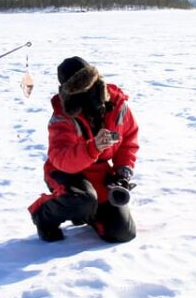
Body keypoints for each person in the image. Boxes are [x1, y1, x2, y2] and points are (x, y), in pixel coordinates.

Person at [28, 57, 139, 243]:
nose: (91, 92)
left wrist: (122, 173)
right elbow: (61, 159)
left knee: (122, 232)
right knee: (83, 200)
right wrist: (93, 148)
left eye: (93, 84)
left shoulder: (118, 105)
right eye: (82, 89)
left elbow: (128, 141)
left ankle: (89, 212)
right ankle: (43, 215)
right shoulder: (62, 117)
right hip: (65, 172)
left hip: (100, 174)